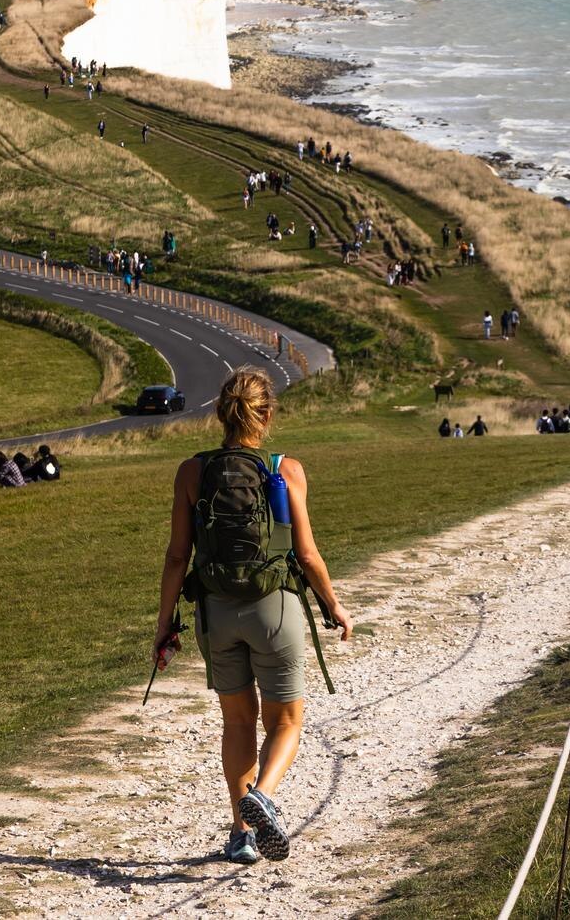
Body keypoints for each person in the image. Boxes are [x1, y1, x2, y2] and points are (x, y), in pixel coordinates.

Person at [155, 370, 350, 867]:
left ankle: (241, 834)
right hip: (275, 609)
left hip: (216, 612)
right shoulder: (287, 470)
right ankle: (262, 795)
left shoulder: (191, 473)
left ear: (220, 413)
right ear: (266, 414)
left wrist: (165, 625)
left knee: (237, 722)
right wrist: (333, 606)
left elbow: (178, 557)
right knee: (284, 721)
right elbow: (307, 556)